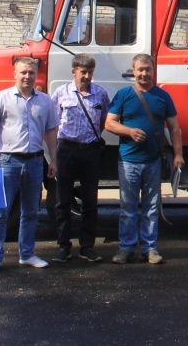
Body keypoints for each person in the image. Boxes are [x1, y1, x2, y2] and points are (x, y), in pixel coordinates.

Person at [0, 57, 59, 274]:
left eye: (31, 73)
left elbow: (51, 130)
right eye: (23, 72)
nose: (27, 76)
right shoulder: (1, 98)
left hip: (35, 162)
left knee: (31, 211)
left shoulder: (45, 101)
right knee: (0, 211)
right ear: (14, 74)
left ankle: (27, 254)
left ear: (36, 75)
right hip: (6, 162)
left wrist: (53, 160)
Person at [105, 54, 184, 265]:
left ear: (153, 70)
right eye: (140, 69)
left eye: (148, 69)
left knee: (151, 207)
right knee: (128, 208)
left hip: (153, 161)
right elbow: (109, 124)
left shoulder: (163, 96)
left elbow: (175, 129)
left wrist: (178, 154)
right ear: (133, 70)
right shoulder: (123, 95)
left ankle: (150, 249)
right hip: (128, 160)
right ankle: (126, 248)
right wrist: (129, 131)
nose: (144, 73)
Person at [51, 54, 111, 264]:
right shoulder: (61, 93)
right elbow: (53, 122)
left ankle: (87, 247)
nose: (86, 76)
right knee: (63, 201)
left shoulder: (100, 94)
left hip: (90, 151)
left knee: (90, 202)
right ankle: (63, 247)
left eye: (90, 72)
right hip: (66, 149)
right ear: (73, 71)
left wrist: (93, 138)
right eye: (82, 72)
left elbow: (105, 120)